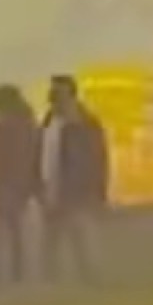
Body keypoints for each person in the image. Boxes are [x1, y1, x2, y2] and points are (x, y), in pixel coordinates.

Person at [40, 73, 110, 282]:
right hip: (52, 188)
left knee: (82, 237)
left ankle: (91, 279)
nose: (52, 95)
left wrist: (99, 190)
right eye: (52, 91)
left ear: (69, 94)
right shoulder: (50, 120)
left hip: (78, 190)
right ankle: (53, 281)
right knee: (51, 240)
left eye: (57, 91)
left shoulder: (86, 123)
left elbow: (99, 158)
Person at [0, 83, 42, 287]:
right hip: (16, 188)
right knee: (14, 234)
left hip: (0, 187)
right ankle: (15, 276)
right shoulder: (28, 128)